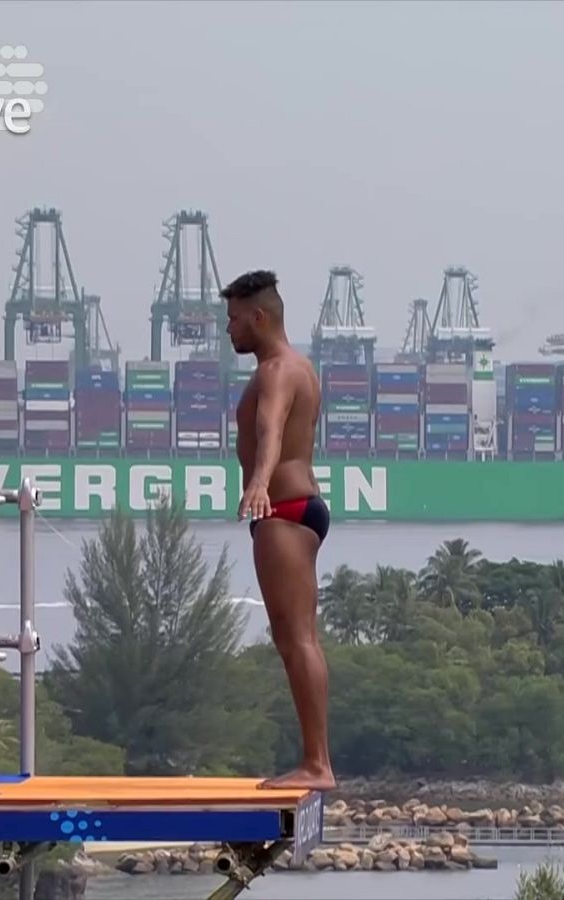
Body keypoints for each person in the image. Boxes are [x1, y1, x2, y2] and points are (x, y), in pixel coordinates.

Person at [223, 269, 336, 792]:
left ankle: (317, 764)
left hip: (285, 507)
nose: (229, 330)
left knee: (297, 641)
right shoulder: (302, 367)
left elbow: (270, 426)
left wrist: (260, 483)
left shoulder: (275, 371)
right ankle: (316, 760)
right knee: (297, 639)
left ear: (259, 316)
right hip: (300, 507)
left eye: (234, 319)